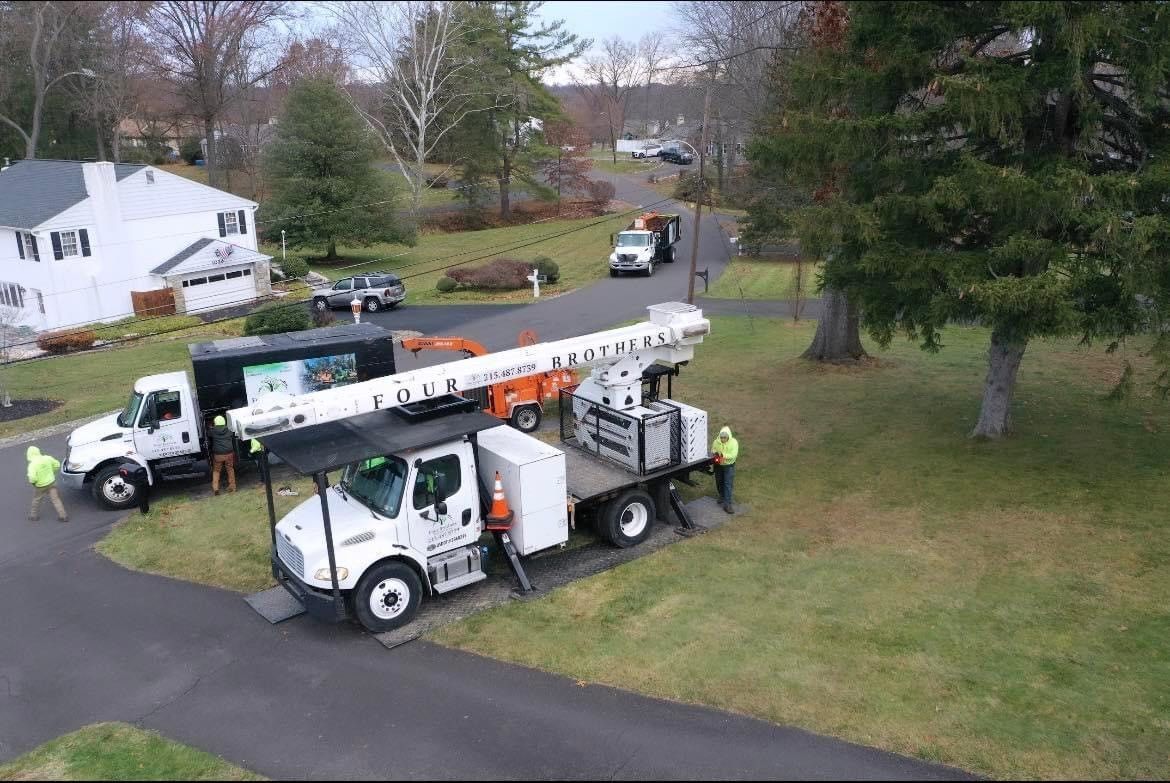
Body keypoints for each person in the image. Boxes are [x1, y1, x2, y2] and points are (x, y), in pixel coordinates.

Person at [26, 446, 68, 523]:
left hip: (40, 486)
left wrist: (34, 483)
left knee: (37, 500)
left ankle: (33, 516)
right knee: (56, 499)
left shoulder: (32, 465)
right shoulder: (47, 458)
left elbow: (32, 478)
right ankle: (63, 516)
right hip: (51, 483)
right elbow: (57, 465)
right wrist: (52, 472)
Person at [711, 425, 739, 514]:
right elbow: (713, 449)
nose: (723, 439)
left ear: (728, 437)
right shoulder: (716, 441)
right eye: (722, 437)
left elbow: (734, 455)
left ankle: (727, 505)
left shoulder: (734, 443)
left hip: (728, 466)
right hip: (718, 465)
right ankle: (722, 496)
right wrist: (714, 453)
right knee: (719, 481)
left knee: (727, 484)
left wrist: (723, 455)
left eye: (725, 438)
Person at [209, 415, 237, 495]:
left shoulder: (213, 431)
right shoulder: (229, 430)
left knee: (216, 471)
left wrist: (211, 427)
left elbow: (208, 433)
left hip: (218, 455)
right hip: (229, 453)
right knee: (230, 469)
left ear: (215, 422)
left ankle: (215, 488)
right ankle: (232, 487)